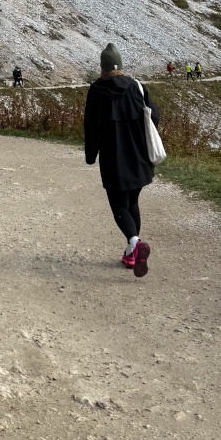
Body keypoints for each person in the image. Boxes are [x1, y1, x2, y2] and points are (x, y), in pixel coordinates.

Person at [84, 42, 158, 278]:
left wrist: (91, 155)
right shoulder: (137, 86)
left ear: (102, 67)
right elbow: (153, 115)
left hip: (113, 157)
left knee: (118, 205)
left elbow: (90, 126)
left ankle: (136, 243)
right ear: (121, 66)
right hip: (138, 156)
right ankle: (131, 253)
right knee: (132, 202)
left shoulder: (96, 90)